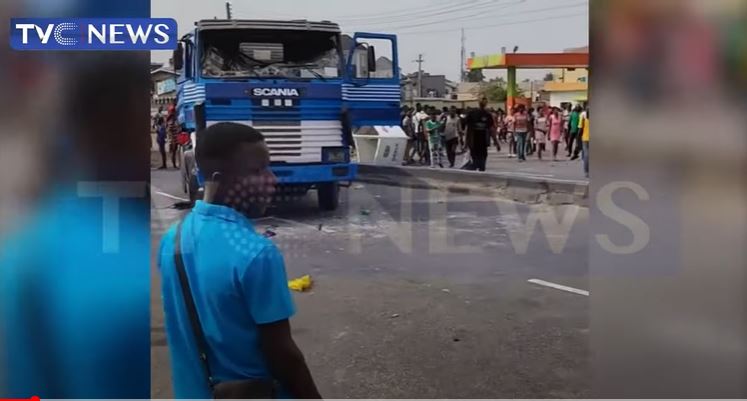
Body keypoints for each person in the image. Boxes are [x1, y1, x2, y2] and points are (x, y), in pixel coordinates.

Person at [158, 123, 321, 399]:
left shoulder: (172, 238)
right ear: (220, 180)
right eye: (257, 171)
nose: (271, 180)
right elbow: (283, 355)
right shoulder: (257, 253)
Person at [464, 97, 498, 172]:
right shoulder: (472, 114)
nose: (483, 102)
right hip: (473, 141)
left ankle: (479, 171)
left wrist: (496, 142)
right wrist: (466, 142)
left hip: (483, 142)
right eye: (482, 100)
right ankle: (475, 168)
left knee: (482, 163)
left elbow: (491, 129)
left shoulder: (487, 115)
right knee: (476, 161)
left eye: (484, 101)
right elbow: (468, 129)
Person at [579, 107, 590, 177]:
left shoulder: (583, 119)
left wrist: (578, 138)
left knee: (586, 155)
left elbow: (580, 129)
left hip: (585, 138)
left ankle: (586, 171)